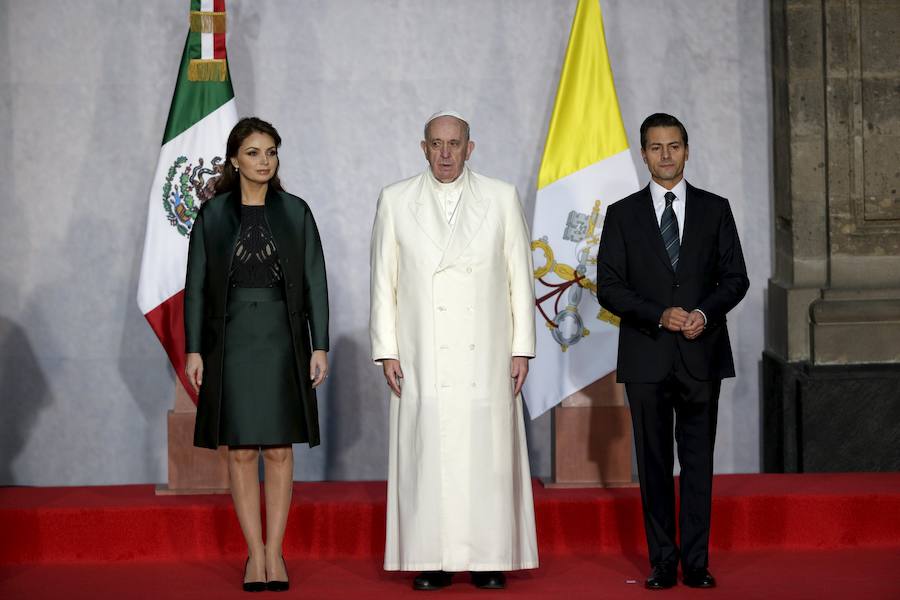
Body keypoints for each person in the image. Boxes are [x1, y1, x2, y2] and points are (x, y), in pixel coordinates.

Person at [369, 111, 538, 590]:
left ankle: (488, 559)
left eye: (454, 143)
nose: (445, 153)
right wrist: (387, 349)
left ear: (471, 148)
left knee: (488, 454)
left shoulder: (502, 197)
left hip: (487, 351)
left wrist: (521, 347)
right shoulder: (396, 199)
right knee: (429, 455)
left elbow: (518, 279)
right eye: (437, 144)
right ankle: (433, 559)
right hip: (424, 351)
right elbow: (384, 281)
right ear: (423, 148)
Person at [596, 113, 749, 590]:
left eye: (674, 145)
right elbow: (609, 288)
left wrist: (704, 313)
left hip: (701, 353)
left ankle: (696, 563)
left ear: (687, 150)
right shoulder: (622, 214)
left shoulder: (715, 208)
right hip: (647, 356)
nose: (666, 155)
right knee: (655, 463)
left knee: (698, 463)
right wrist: (659, 314)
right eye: (656, 147)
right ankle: (663, 561)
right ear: (643, 153)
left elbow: (736, 278)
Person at [183, 117, 329, 592]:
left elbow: (315, 283)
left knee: (281, 449)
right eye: (253, 152)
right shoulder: (213, 215)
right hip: (231, 342)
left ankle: (276, 552)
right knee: (242, 450)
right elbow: (197, 288)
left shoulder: (296, 212)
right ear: (233, 160)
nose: (264, 161)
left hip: (284, 340)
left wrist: (319, 343)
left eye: (271, 152)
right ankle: (254, 554)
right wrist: (195, 349)